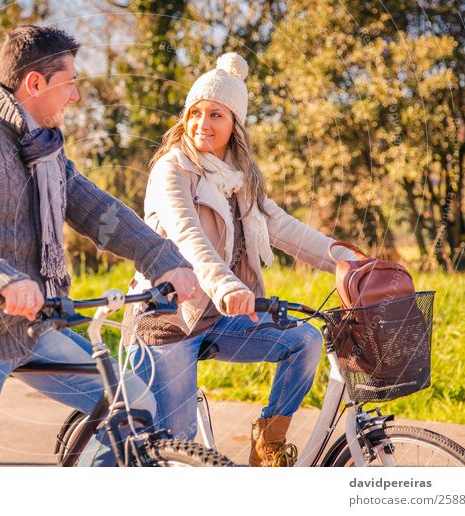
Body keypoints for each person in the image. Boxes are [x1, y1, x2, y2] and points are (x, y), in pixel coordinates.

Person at [0, 25, 198, 466]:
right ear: (34, 83)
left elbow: (96, 209)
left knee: (133, 405)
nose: (75, 96)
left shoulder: (45, 151)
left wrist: (162, 258)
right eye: (70, 83)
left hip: (28, 329)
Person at [126, 53, 360, 467]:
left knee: (303, 341)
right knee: (177, 450)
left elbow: (285, 229)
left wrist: (345, 259)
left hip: (218, 316)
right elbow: (188, 235)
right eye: (195, 113)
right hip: (168, 318)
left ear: (234, 123)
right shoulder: (172, 168)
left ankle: (266, 446)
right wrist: (226, 284)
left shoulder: (241, 179)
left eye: (215, 114)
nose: (202, 123)